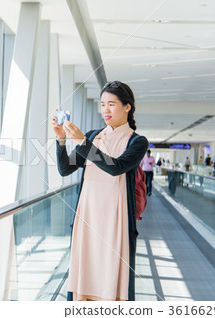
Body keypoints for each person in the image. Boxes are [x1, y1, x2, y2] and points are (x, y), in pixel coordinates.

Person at [53, 80, 148, 301]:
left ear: (127, 106)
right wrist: (61, 139)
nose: (105, 110)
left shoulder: (137, 142)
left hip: (116, 223)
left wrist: (82, 141)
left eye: (112, 104)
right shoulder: (93, 135)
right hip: (87, 218)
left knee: (112, 284)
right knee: (83, 280)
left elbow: (116, 167)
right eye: (103, 104)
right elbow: (66, 169)